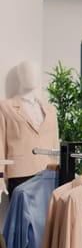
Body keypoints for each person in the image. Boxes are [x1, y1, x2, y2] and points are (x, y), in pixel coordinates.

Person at [0, 60, 59, 196]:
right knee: (22, 216)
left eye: (35, 73)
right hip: (20, 173)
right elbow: (0, 145)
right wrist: (0, 178)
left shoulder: (50, 109)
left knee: (47, 216)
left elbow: (55, 144)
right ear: (19, 76)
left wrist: (59, 171)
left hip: (48, 173)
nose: (31, 76)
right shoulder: (6, 107)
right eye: (26, 72)